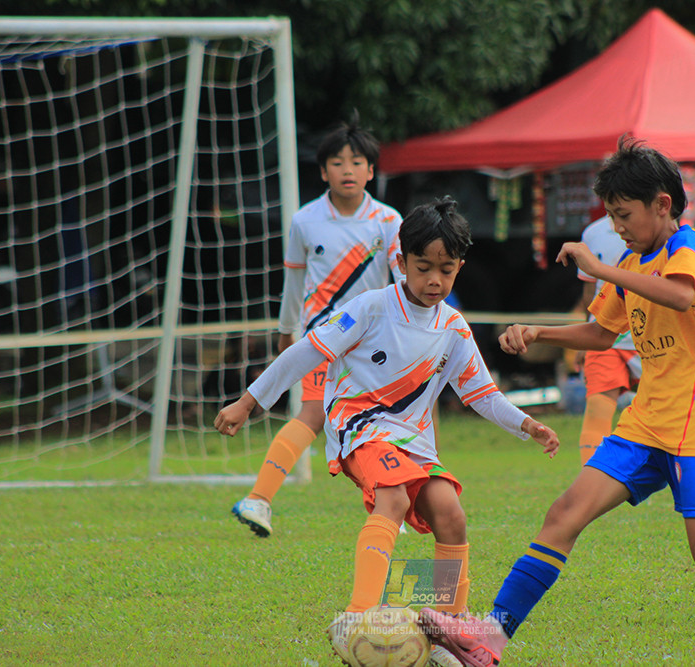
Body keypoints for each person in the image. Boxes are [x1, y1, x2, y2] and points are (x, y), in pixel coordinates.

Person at [419, 138, 695, 667]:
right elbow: (600, 333)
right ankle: (492, 637)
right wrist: (537, 331)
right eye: (611, 216)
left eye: (623, 215)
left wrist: (601, 267)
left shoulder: (688, 247)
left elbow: (681, 294)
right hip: (647, 421)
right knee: (564, 512)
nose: (617, 228)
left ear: (662, 203)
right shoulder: (631, 259)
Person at [215, 197, 559, 664]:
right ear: (400, 262)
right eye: (423, 267)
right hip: (359, 425)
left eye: (447, 269)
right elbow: (305, 353)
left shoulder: (454, 328)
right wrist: (248, 400)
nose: (435, 280)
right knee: (392, 496)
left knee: (451, 512)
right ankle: (356, 619)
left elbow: (482, 394)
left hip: (410, 438)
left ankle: (449, 632)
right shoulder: (372, 308)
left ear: (459, 268)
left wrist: (526, 424)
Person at [231, 113, 404, 537]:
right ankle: (259, 499)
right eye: (339, 162)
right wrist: (287, 330)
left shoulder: (390, 221)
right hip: (322, 339)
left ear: (371, 170)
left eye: (357, 161)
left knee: (376, 423)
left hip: (372, 343)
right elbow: (293, 281)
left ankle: (388, 510)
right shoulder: (304, 221)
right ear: (323, 170)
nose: (348, 170)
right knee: (312, 414)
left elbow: (402, 285)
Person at [574, 215, 640, 464]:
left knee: (666, 412)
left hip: (652, 339)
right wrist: (585, 336)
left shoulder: (666, 229)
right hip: (606, 338)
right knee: (597, 414)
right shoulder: (593, 232)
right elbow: (589, 293)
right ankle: (590, 485)